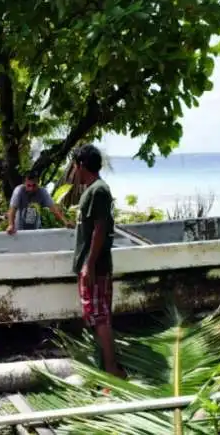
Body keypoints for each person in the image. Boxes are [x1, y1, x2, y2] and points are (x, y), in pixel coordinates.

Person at [71, 143, 124, 379]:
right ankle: (104, 366)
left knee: (100, 317)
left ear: (81, 165)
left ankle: (112, 370)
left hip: (96, 267)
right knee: (95, 316)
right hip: (91, 265)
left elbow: (100, 229)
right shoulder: (92, 190)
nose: (74, 173)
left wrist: (89, 264)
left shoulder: (98, 191)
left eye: (75, 167)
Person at [6, 170, 71, 235]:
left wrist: (65, 222)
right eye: (29, 185)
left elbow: (54, 209)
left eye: (34, 185)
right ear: (24, 183)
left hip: (36, 232)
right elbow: (12, 209)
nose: (31, 188)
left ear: (38, 183)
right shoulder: (19, 191)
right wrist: (11, 225)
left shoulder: (42, 192)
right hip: (19, 232)